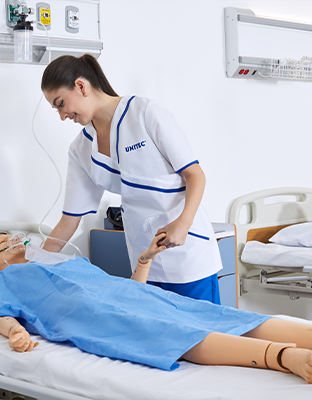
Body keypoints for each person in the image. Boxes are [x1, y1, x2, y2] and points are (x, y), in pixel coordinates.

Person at [0, 232, 312, 384]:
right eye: (0, 242)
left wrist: (144, 261)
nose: (11, 240)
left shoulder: (65, 262)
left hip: (131, 297)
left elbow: (127, 289)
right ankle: (286, 358)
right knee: (171, 333)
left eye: (11, 235)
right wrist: (15, 332)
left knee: (216, 314)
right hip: (91, 315)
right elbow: (0, 313)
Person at [39, 54, 223, 304]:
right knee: (157, 339)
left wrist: (184, 223)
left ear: (81, 86)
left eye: (60, 103)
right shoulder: (81, 148)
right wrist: (34, 265)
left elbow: (195, 175)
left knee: (206, 337)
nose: (62, 115)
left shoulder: (146, 113)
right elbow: (69, 220)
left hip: (186, 252)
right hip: (143, 261)